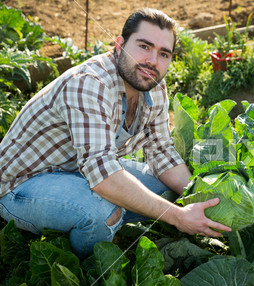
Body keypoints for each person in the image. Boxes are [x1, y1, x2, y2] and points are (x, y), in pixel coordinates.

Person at [0, 8, 231, 259]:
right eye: (144, 46)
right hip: (22, 183)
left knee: (164, 190)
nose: (152, 61)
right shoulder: (89, 84)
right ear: (120, 45)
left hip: (77, 169)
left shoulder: (154, 87)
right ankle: (88, 270)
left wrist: (203, 201)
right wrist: (177, 217)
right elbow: (104, 177)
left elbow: (163, 153)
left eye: (163, 54)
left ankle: (86, 224)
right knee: (102, 211)